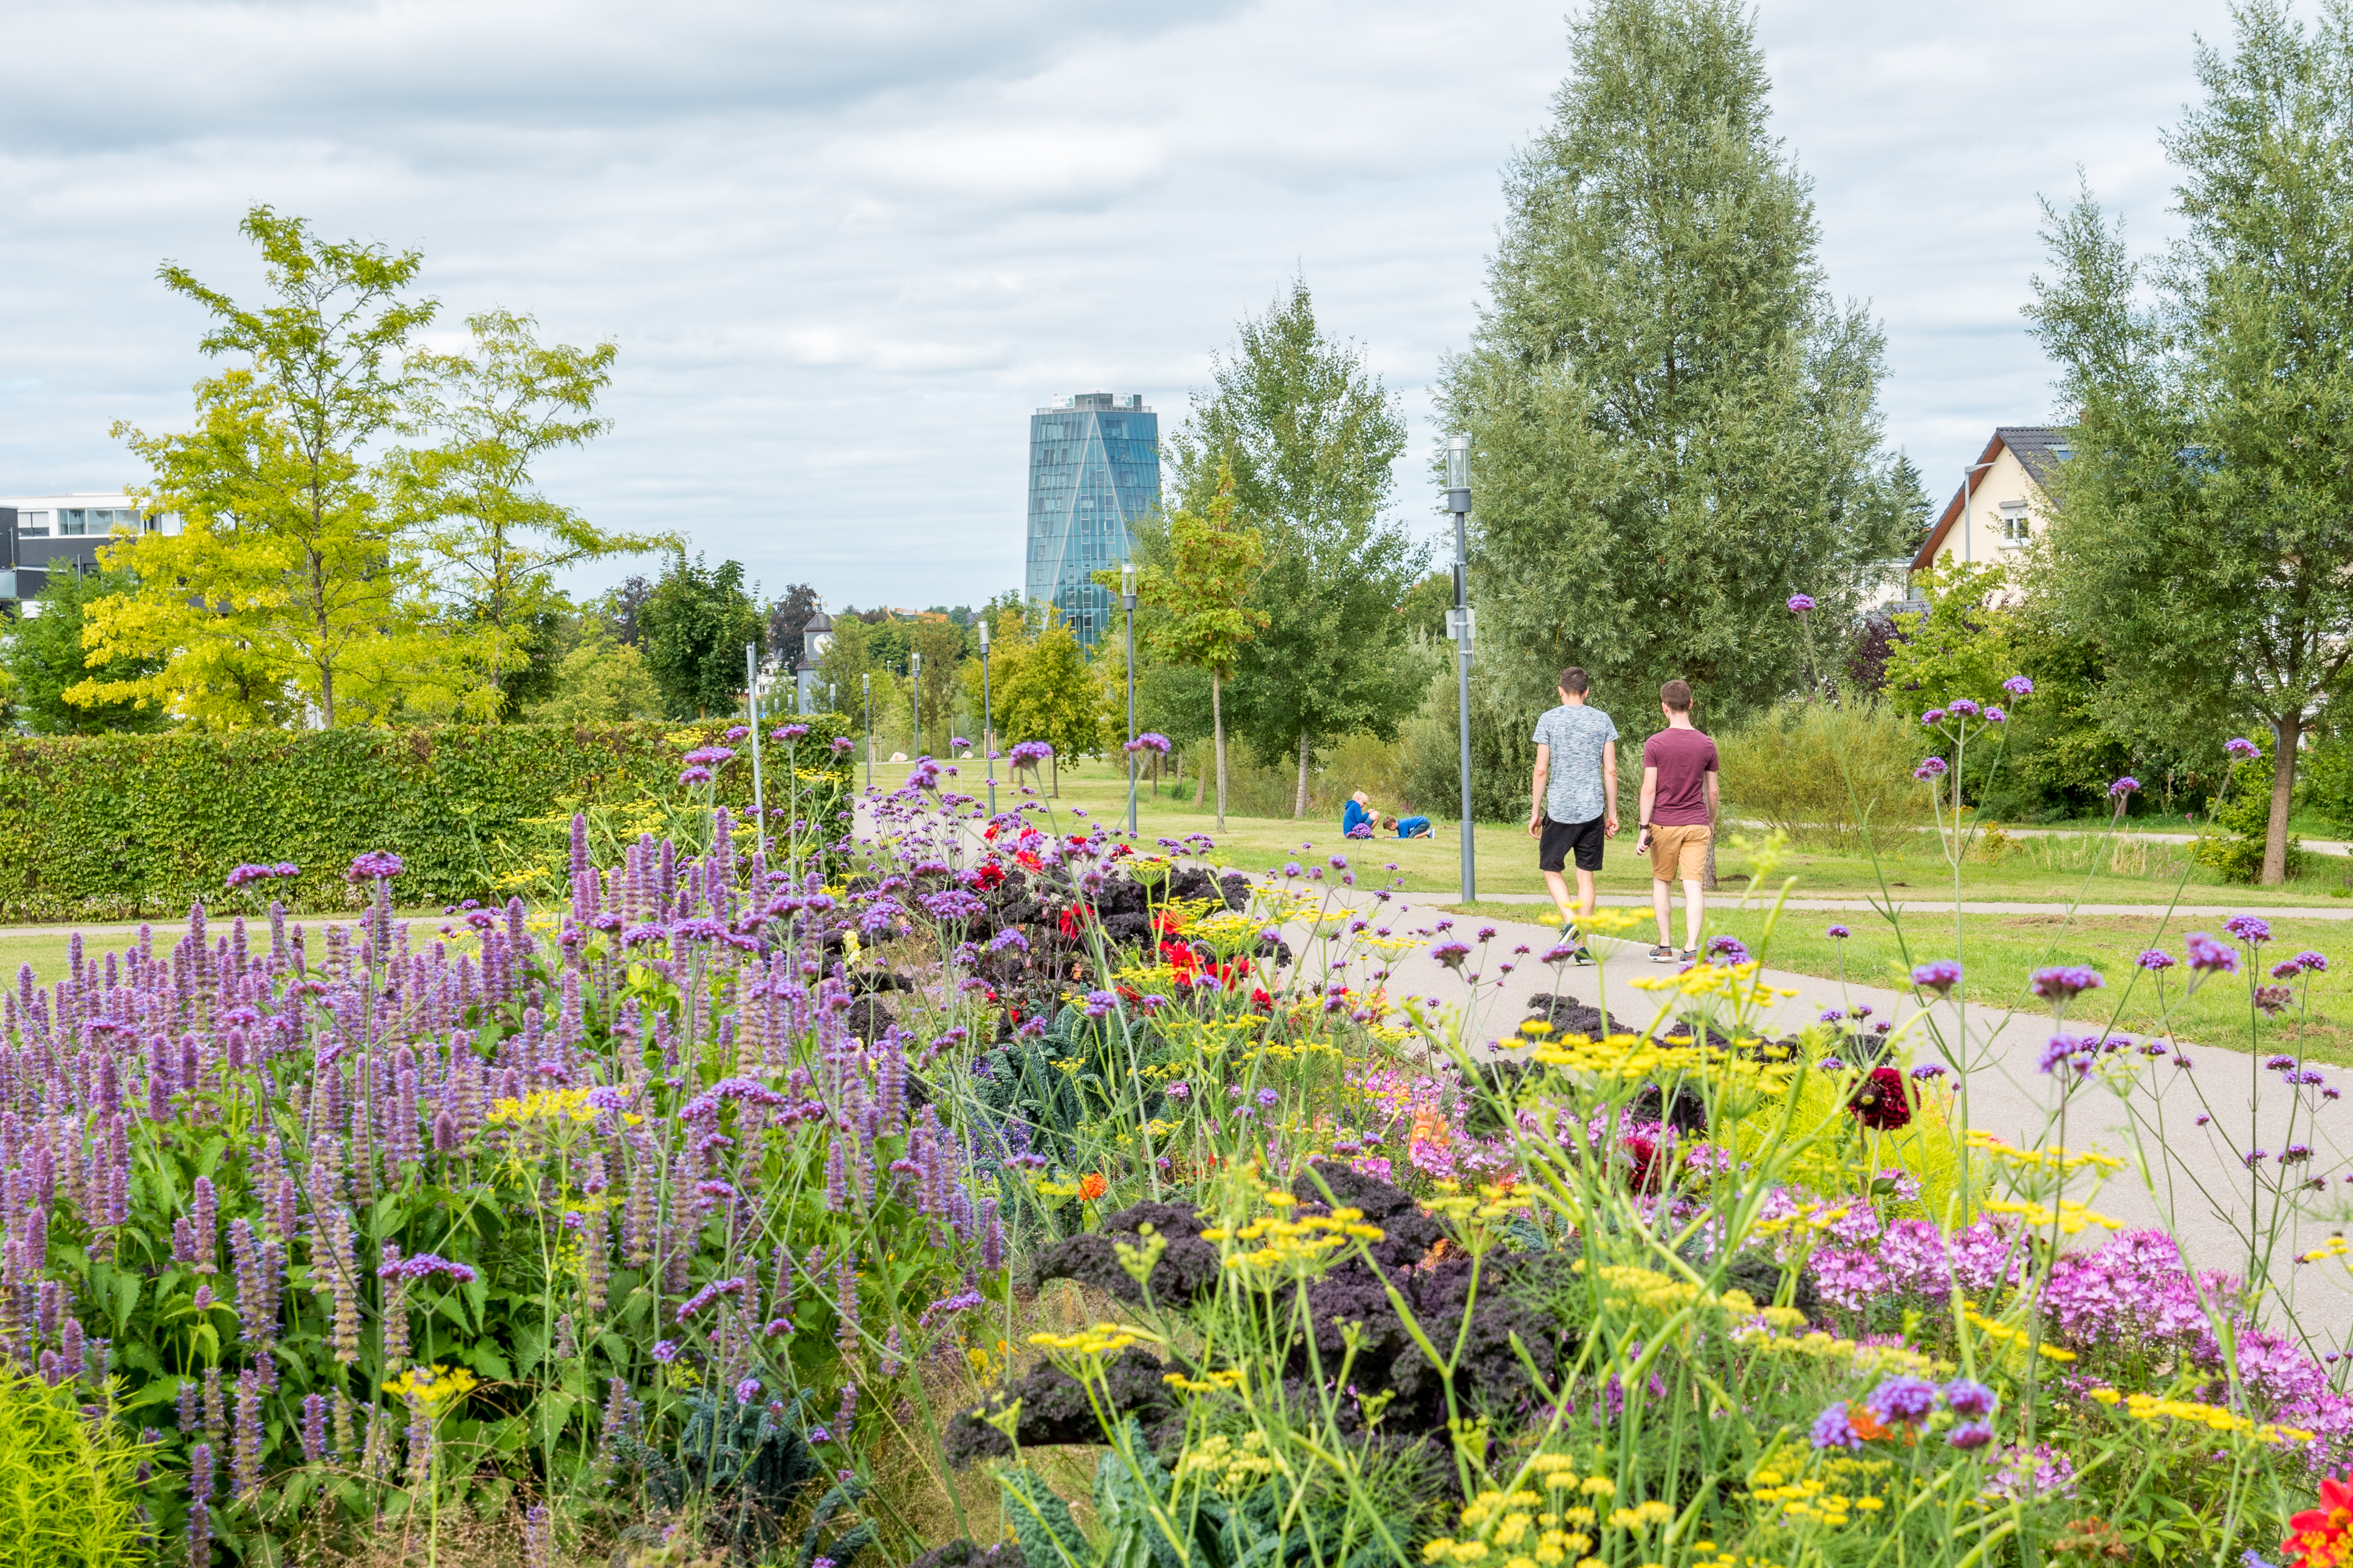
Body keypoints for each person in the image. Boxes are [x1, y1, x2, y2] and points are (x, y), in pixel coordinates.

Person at [1527, 666, 1618, 963]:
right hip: (1592, 809)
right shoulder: (1602, 720)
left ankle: (1570, 922)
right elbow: (1611, 771)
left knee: (1550, 867)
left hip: (1561, 808)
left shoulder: (1549, 719)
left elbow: (1541, 770)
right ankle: (1582, 945)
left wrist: (1535, 812)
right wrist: (1612, 812)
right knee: (1585, 876)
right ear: (1587, 692)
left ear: (1561, 691)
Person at [1635, 678, 1719, 964]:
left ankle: (1665, 946)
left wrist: (1643, 828)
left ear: (1664, 708)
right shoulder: (1707, 744)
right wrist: (1710, 821)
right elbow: (1714, 790)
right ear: (1691, 704)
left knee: (1662, 882)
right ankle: (1692, 948)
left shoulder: (1655, 743)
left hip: (1664, 824)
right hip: (1697, 823)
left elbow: (1649, 789)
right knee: (1693, 885)